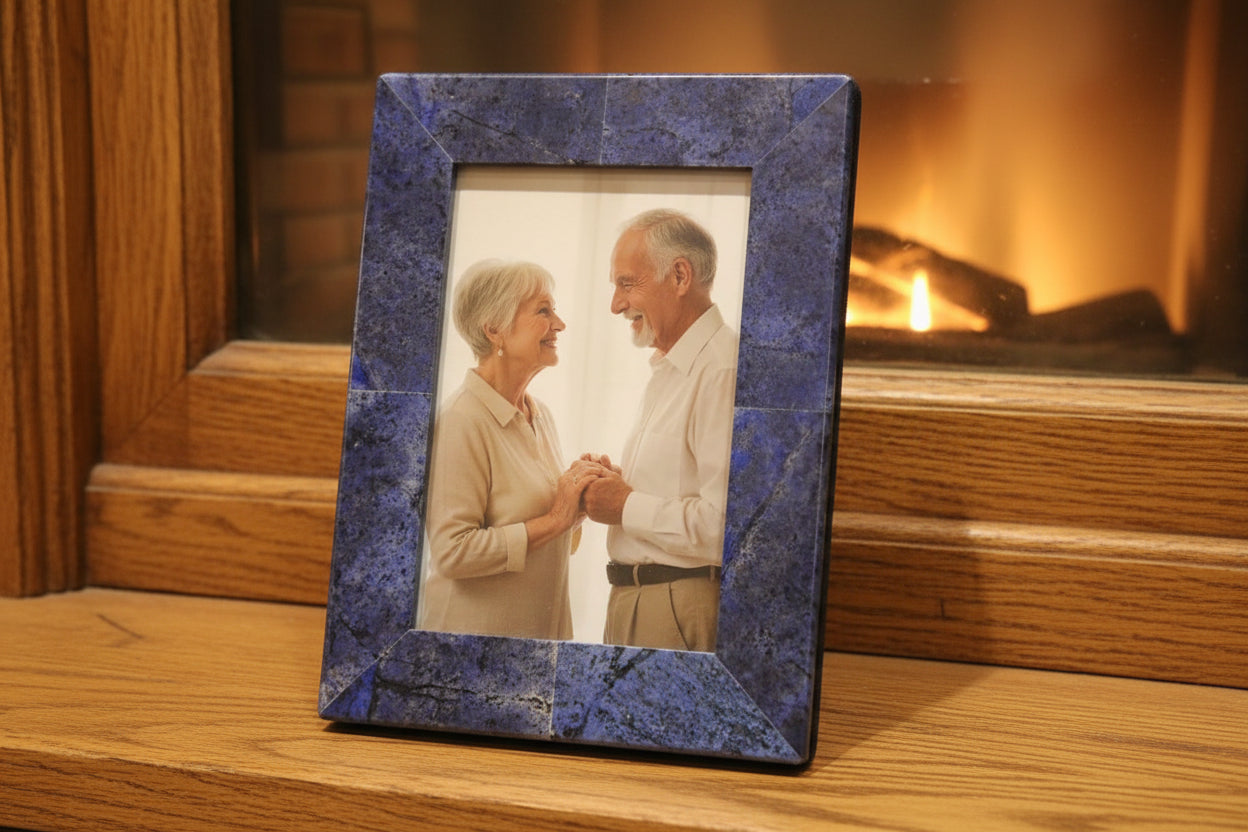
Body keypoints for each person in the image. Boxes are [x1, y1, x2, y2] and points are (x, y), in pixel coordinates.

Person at [420, 259, 604, 640]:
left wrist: (578, 499)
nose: (560, 324)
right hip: (473, 647)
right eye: (543, 310)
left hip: (536, 638)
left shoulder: (541, 416)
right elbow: (452, 552)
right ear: (495, 330)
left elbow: (544, 530)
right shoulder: (461, 420)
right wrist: (557, 517)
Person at [583, 209, 737, 652]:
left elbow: (726, 526)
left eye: (626, 283)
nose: (615, 304)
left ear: (680, 276)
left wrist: (624, 504)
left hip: (675, 611)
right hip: (643, 604)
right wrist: (616, 487)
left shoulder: (722, 369)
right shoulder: (673, 368)